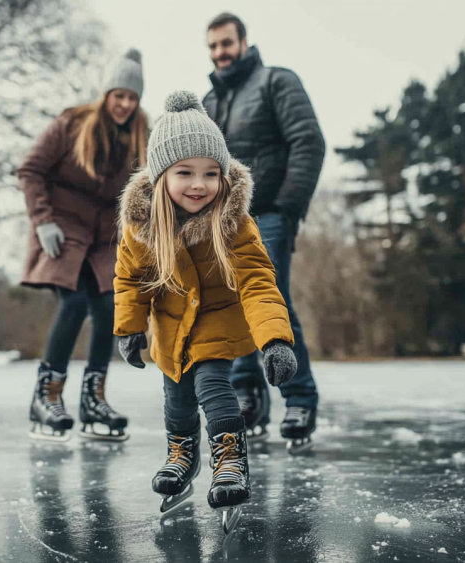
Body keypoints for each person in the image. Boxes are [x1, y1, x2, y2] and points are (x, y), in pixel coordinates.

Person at [114, 91, 297, 533]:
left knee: (212, 383)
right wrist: (129, 329)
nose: (199, 184)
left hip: (218, 320)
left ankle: (230, 455)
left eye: (211, 173)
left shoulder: (233, 222)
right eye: (185, 173)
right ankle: (182, 452)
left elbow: (257, 281)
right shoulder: (141, 227)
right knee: (176, 400)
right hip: (170, 329)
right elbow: (129, 281)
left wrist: (274, 339)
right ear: (160, 177)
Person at [203, 13, 326, 453]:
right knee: (228, 301)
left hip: (271, 212)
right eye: (213, 46)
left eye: (226, 43)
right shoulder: (208, 103)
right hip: (223, 222)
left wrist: (288, 207)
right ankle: (248, 396)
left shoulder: (277, 82)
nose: (220, 52)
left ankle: (299, 399)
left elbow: (308, 142)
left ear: (243, 42)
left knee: (270, 297)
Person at [18, 49, 148, 442]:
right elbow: (30, 169)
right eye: (119, 95)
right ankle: (46, 396)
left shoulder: (142, 134)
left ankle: (94, 398)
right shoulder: (72, 123)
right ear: (106, 93)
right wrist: (42, 222)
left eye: (132, 97)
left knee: (110, 307)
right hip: (62, 227)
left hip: (105, 238)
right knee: (73, 303)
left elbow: (145, 189)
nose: (125, 104)